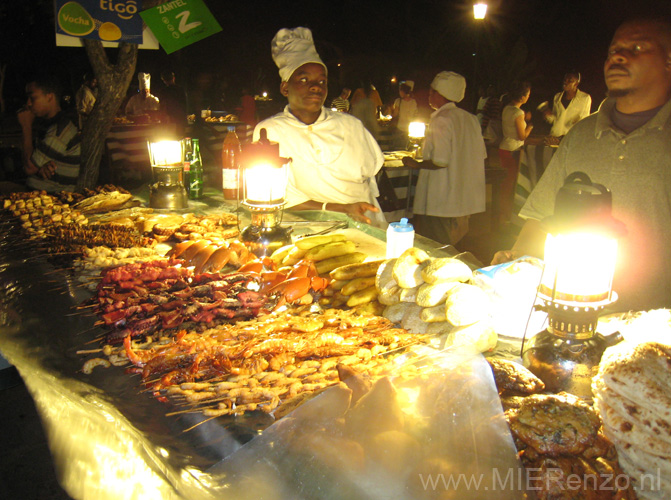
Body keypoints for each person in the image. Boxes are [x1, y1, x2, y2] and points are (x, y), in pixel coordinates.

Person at [492, 17, 671, 312]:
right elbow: (541, 213)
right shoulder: (582, 134)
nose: (618, 57)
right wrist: (519, 259)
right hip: (569, 306)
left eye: (637, 48)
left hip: (653, 316)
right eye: (613, 51)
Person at [253, 27, 385, 226]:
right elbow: (275, 197)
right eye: (304, 79)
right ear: (285, 87)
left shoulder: (351, 125)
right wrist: (341, 208)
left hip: (365, 222)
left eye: (322, 81)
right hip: (307, 228)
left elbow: (373, 170)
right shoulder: (269, 131)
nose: (315, 86)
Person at [401, 71, 487, 246]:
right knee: (455, 246)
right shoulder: (470, 119)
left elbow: (440, 161)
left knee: (436, 248)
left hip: (441, 201)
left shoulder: (442, 119)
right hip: (462, 200)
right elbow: (480, 154)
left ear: (442, 94)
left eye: (432, 92)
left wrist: (415, 164)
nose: (429, 95)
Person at [17, 75, 80, 192]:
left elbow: (29, 167)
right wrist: (39, 168)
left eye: (33, 98)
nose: (28, 103)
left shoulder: (60, 129)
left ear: (49, 97)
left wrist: (26, 126)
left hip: (52, 200)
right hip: (38, 194)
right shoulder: (47, 124)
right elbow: (34, 163)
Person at [498, 81, 533, 224]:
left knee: (505, 183)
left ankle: (502, 213)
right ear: (523, 96)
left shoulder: (507, 108)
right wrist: (530, 127)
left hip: (504, 147)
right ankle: (507, 215)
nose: (529, 97)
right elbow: (522, 136)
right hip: (513, 150)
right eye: (528, 94)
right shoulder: (518, 113)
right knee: (511, 185)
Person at [542, 70, 592, 137]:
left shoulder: (585, 98)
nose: (566, 82)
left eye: (570, 81)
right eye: (565, 80)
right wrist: (547, 116)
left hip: (572, 138)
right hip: (555, 136)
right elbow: (555, 119)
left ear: (576, 84)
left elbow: (585, 120)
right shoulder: (557, 97)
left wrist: (575, 122)